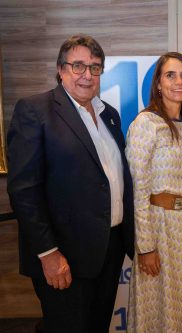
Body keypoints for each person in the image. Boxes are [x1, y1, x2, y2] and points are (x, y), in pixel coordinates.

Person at [7, 34, 134, 333]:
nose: (87, 75)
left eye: (95, 67)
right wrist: (48, 253)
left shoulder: (110, 116)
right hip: (64, 256)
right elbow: (24, 190)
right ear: (61, 70)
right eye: (78, 66)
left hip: (108, 249)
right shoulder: (35, 111)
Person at [125, 52, 182, 332]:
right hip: (161, 231)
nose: (179, 81)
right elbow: (139, 191)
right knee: (162, 314)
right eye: (170, 75)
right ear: (158, 85)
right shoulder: (146, 124)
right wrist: (146, 247)